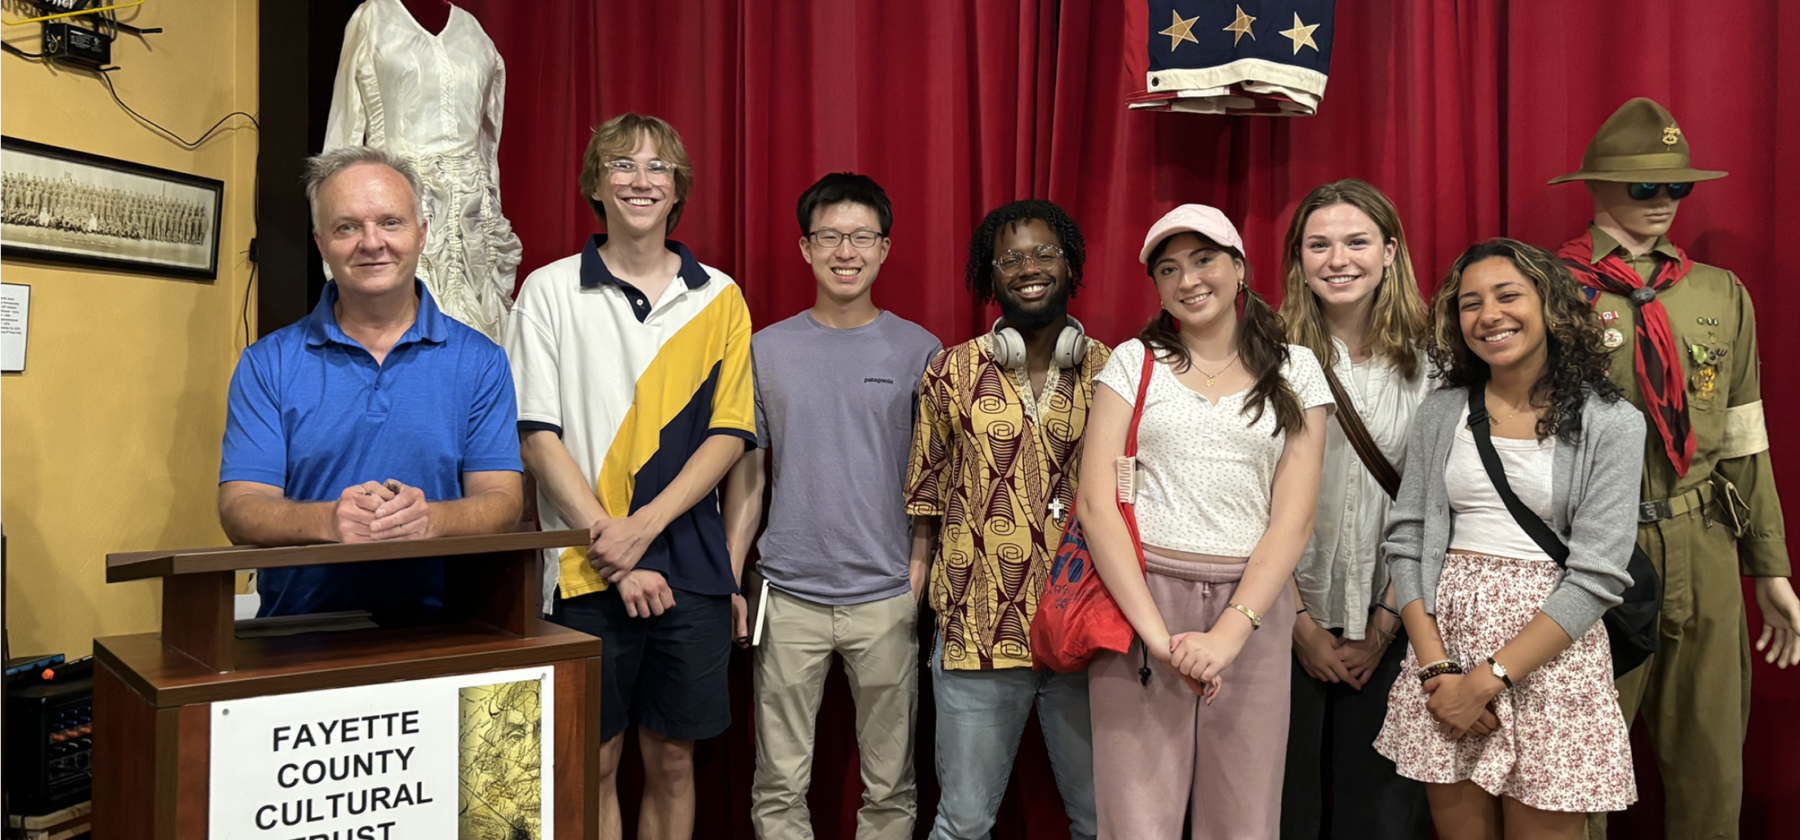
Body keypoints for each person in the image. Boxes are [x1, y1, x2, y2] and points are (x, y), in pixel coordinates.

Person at [1542, 98, 1800, 840]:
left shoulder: (1718, 293)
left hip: (1705, 538)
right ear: (1596, 187)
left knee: (1714, 764)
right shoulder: (1550, 289)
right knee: (1581, 767)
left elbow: (1746, 436)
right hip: (1596, 552)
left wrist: (1769, 568)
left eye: (1676, 188)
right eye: (1642, 187)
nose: (1661, 204)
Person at [504, 113, 756, 840]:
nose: (641, 180)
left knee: (674, 760)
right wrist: (609, 550)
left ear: (678, 188)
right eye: (622, 164)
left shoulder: (721, 298)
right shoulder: (548, 291)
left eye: (657, 167)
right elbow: (537, 437)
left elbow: (730, 434)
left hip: (689, 571)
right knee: (597, 759)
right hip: (583, 569)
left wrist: (638, 533)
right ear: (596, 183)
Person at [1375, 238, 1642, 838]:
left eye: (1507, 295)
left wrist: (1488, 679)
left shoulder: (1612, 423)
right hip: (1446, 650)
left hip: (1551, 660)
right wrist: (1437, 668)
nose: (1489, 314)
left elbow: (1598, 574)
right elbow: (1409, 538)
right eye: (1470, 303)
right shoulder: (1442, 412)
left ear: (1550, 305)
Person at [1081, 204, 1332, 839]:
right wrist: (1158, 638)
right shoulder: (1132, 363)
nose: (1188, 279)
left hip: (1252, 609)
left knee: (1243, 821)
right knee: (1136, 824)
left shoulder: (1297, 368)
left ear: (1239, 268)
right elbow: (1096, 505)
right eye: (1169, 268)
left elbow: (1292, 520)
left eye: (1203, 260)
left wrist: (1228, 635)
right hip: (1141, 605)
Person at [217, 146, 523, 620]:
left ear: (421, 235)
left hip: (453, 630)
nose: (371, 242)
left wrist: (430, 519)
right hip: (298, 637)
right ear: (321, 244)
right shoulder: (267, 364)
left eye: (390, 222)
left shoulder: (481, 362)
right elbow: (240, 509)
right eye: (347, 227)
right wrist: (329, 520)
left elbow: (503, 502)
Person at [725, 172, 942, 839]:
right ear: (805, 248)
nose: (845, 251)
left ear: (883, 248)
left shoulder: (919, 350)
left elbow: (932, 473)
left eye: (860, 237)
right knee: (778, 784)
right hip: (788, 592)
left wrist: (921, 561)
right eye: (830, 237)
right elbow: (748, 477)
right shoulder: (766, 350)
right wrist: (731, 578)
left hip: (885, 594)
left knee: (891, 786)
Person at [905, 199, 1107, 840]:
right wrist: (916, 602)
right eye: (1010, 257)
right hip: (976, 631)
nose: (1029, 266)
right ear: (987, 277)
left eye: (1045, 252)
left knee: (1106, 822)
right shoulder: (950, 370)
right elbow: (927, 500)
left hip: (1087, 634)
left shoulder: (1115, 370)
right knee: (963, 824)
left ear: (1071, 264)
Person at [1275, 178, 1434, 839]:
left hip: (1394, 621)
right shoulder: (1266, 357)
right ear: (1299, 259)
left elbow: (1436, 503)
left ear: (1390, 250)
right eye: (1319, 245)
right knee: (1282, 813)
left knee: (1382, 820)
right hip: (1279, 622)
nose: (1338, 259)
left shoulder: (1436, 361)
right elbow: (1247, 501)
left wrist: (1386, 625)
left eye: (1356, 242)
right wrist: (1300, 624)